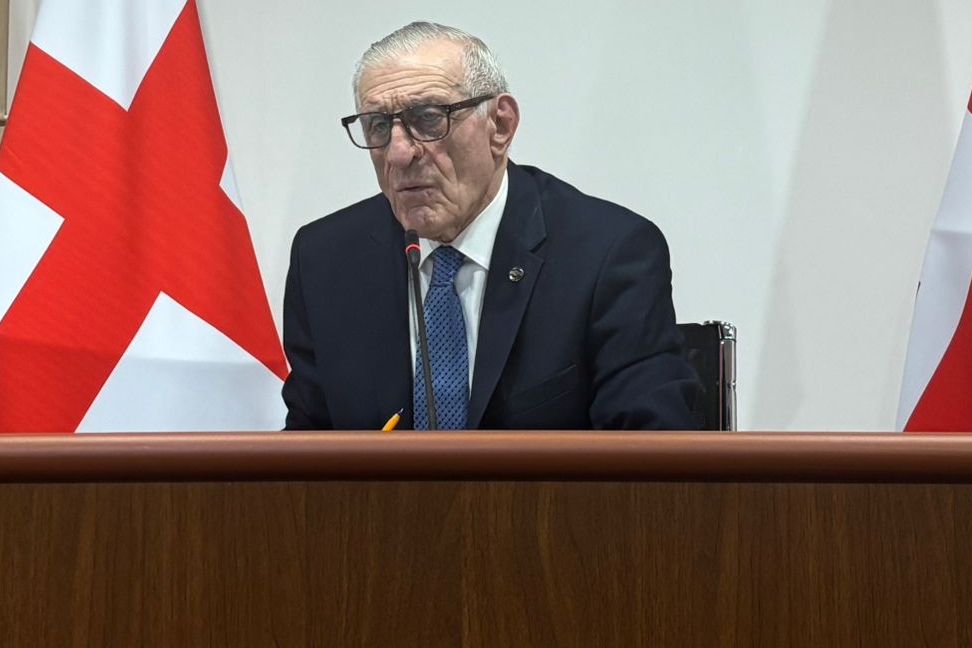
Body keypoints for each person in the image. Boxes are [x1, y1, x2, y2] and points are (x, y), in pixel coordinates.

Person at [281, 22, 698, 430]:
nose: (399, 153)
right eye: (378, 125)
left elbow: (651, 447)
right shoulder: (326, 260)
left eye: (428, 118)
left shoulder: (608, 254)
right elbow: (304, 450)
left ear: (500, 125)